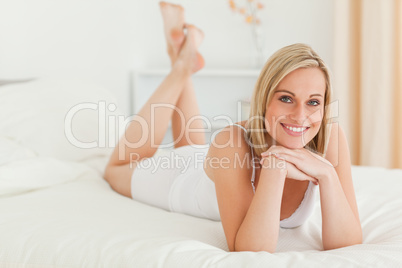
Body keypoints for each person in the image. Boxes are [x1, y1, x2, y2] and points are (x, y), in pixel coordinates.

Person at [104, 1, 362, 253]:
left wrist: (328, 175)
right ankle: (181, 66)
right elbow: (250, 248)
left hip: (212, 163)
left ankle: (182, 54)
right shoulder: (231, 142)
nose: (300, 115)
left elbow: (347, 243)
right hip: (182, 179)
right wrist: (275, 166)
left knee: (193, 146)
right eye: (286, 98)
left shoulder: (329, 138)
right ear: (264, 100)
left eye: (313, 102)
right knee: (115, 170)